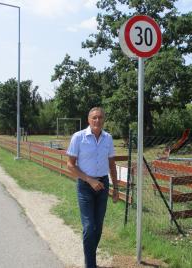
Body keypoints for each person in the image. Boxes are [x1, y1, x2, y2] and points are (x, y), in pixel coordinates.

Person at [67, 107, 119, 268]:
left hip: (102, 185)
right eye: (94, 117)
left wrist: (116, 188)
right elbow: (70, 165)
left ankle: (90, 256)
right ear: (88, 120)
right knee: (89, 227)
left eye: (100, 117)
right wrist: (89, 180)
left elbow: (112, 164)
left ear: (104, 120)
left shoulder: (108, 138)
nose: (97, 120)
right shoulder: (78, 137)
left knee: (98, 227)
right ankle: (91, 264)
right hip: (85, 186)